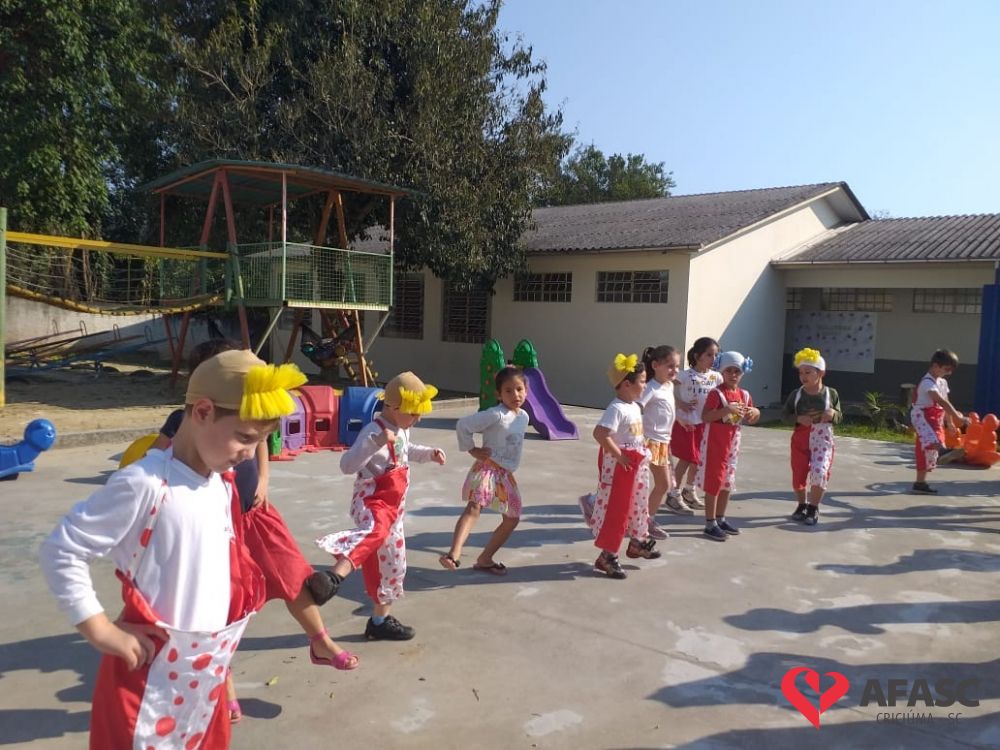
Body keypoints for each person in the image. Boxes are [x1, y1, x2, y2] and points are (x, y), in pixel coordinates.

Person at [39, 349, 304, 749]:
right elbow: (62, 549)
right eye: (244, 437)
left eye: (261, 441)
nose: (250, 453)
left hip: (205, 680)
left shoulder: (221, 483)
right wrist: (100, 630)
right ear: (203, 412)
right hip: (149, 686)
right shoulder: (146, 483)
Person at [151, 340, 358, 723]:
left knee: (292, 575)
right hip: (217, 526)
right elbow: (156, 457)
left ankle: (321, 642)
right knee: (221, 604)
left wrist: (263, 478)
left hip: (255, 513)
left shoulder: (247, 412)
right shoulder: (185, 420)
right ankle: (224, 684)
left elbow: (261, 441)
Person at [315, 372, 446, 640]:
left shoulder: (402, 428)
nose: (417, 419)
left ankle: (379, 621)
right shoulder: (373, 431)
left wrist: (429, 454)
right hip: (372, 501)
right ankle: (334, 576)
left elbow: (407, 449)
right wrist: (374, 444)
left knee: (393, 566)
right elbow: (347, 465)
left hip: (394, 510)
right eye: (413, 413)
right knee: (375, 530)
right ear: (393, 407)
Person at [440, 366, 529, 575]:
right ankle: (453, 554)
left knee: (512, 518)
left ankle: (485, 559)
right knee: (474, 508)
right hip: (487, 468)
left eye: (519, 389)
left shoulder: (524, 416)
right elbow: (463, 425)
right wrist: (472, 449)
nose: (515, 395)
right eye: (508, 391)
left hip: (505, 474)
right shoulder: (495, 414)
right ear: (499, 394)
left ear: (526, 391)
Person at [585, 353, 660, 579]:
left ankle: (637, 541)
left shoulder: (634, 406)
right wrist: (619, 456)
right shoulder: (616, 408)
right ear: (627, 384)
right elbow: (600, 434)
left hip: (634, 467)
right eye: (642, 381)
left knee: (638, 505)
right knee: (617, 510)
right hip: (620, 469)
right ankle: (607, 555)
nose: (645, 385)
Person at [697, 350, 760, 541]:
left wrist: (754, 413)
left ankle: (720, 518)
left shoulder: (744, 394)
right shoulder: (716, 393)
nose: (733, 375)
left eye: (737, 371)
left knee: (727, 482)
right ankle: (709, 523)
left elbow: (753, 416)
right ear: (722, 372)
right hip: (715, 444)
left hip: (732, 445)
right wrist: (726, 409)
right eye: (729, 371)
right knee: (714, 482)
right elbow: (705, 416)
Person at [781, 348, 842, 526]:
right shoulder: (796, 394)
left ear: (820, 373)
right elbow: (784, 415)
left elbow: (840, 416)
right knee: (798, 474)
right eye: (800, 373)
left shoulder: (831, 394)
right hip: (800, 439)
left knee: (820, 472)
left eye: (808, 372)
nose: (803, 376)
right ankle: (802, 505)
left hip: (822, 439)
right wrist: (798, 418)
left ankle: (813, 508)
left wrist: (833, 414)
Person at [667, 337, 723, 513]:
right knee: (686, 459)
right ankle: (673, 494)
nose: (713, 358)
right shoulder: (685, 375)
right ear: (698, 356)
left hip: (705, 424)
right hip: (688, 424)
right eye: (709, 355)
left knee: (698, 460)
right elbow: (666, 385)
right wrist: (679, 403)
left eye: (716, 355)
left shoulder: (716, 377)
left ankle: (689, 491)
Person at [638, 345, 686, 542]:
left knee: (661, 484)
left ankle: (646, 520)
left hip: (663, 443)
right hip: (650, 442)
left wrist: (680, 421)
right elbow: (636, 407)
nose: (675, 370)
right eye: (670, 366)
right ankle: (645, 521)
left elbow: (667, 409)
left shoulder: (669, 386)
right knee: (660, 484)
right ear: (655, 365)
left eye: (677, 366)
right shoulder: (650, 388)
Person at [911, 348, 969, 494]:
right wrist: (959, 417)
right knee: (933, 439)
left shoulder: (942, 382)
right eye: (947, 369)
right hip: (922, 416)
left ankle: (920, 483)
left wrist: (950, 422)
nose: (949, 373)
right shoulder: (927, 383)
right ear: (935, 366)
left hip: (935, 418)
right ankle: (943, 452)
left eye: (951, 370)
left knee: (926, 451)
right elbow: (941, 401)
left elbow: (946, 403)